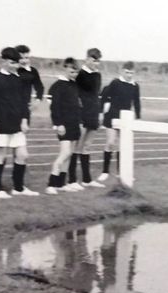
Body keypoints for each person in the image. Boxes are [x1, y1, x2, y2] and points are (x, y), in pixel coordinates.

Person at [0, 47, 37, 198]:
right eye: (12, 63)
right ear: (4, 61)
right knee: (0, 155)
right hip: (0, 123)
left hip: (17, 124)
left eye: (17, 63)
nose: (15, 66)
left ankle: (18, 188)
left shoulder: (18, 79)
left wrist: (25, 120)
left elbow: (23, 102)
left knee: (22, 155)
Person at [98, 61, 141, 183]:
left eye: (131, 73)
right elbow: (104, 95)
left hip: (125, 119)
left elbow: (136, 102)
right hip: (112, 116)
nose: (129, 75)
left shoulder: (135, 86)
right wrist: (102, 111)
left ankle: (120, 172)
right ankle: (105, 172)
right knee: (111, 143)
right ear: (122, 71)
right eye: (127, 72)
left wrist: (138, 117)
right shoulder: (116, 82)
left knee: (123, 146)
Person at [46, 57, 81, 195]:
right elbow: (54, 108)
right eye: (72, 71)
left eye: (76, 72)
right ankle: (51, 183)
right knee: (64, 153)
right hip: (64, 125)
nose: (74, 74)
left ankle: (61, 184)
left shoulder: (74, 85)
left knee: (69, 155)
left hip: (74, 124)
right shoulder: (58, 86)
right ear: (65, 68)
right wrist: (58, 124)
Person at [69, 48, 102, 190]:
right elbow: (73, 94)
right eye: (94, 60)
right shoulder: (80, 74)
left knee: (87, 146)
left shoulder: (98, 75)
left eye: (98, 61)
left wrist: (99, 113)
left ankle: (87, 179)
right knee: (77, 146)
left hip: (93, 113)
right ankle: (72, 180)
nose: (96, 63)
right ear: (87, 59)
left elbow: (96, 95)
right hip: (81, 115)